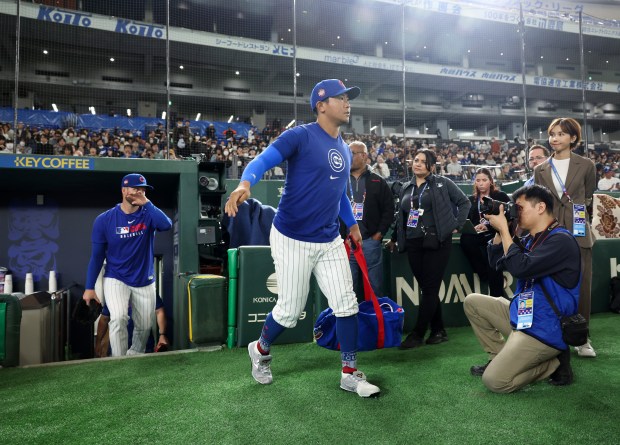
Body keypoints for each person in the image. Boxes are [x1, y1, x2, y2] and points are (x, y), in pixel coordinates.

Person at [225, 79, 380, 397]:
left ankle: (349, 372)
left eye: (349, 98)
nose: (348, 103)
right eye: (341, 98)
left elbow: (339, 196)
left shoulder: (342, 147)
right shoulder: (301, 135)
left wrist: (351, 226)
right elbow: (263, 160)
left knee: (346, 305)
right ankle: (261, 348)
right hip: (291, 237)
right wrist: (245, 184)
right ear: (321, 105)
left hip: (329, 239)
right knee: (289, 311)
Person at [464, 184, 580, 393]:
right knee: (473, 302)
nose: (516, 213)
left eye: (520, 208)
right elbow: (496, 262)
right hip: (524, 318)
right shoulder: (531, 239)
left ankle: (552, 364)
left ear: (541, 207)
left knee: (495, 382)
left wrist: (506, 233)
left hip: (546, 327)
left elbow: (520, 267)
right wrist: (503, 231)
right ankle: (498, 357)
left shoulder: (560, 240)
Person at [386, 149, 471, 348]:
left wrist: (455, 225)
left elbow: (464, 202)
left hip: (438, 241)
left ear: (431, 166)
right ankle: (438, 329)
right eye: (416, 160)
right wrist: (395, 238)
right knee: (428, 289)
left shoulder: (442, 183)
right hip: (414, 242)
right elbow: (402, 216)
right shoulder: (406, 187)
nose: (418, 164)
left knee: (430, 288)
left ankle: (417, 334)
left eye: (423, 162)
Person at [82, 173, 172, 356]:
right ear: (124, 190)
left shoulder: (149, 215)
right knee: (118, 318)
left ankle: (134, 355)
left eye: (143, 189)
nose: (140, 192)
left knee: (145, 326)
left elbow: (167, 225)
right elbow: (97, 256)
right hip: (116, 277)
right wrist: (89, 287)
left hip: (144, 279)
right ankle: (119, 360)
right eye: (136, 189)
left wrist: (147, 203)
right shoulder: (104, 220)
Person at [534, 118, 597, 358]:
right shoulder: (540, 169)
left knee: (583, 286)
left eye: (561, 134)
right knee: (550, 285)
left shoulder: (587, 165)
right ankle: (552, 337)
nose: (555, 138)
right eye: (552, 134)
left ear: (573, 138)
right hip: (550, 234)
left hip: (579, 232)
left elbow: (588, 195)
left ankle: (582, 337)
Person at [346, 141, 394, 299]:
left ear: (364, 156)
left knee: (375, 287)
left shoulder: (378, 181)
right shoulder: (340, 180)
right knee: (348, 288)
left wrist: (378, 235)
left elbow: (388, 210)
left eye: (352, 153)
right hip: (346, 243)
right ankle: (351, 323)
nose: (348, 156)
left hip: (370, 242)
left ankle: (375, 321)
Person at [459, 168, 510, 297]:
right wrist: (476, 227)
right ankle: (484, 275)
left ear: (491, 182)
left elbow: (508, 217)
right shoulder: (471, 200)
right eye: (478, 180)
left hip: (495, 232)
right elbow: (471, 219)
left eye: (484, 180)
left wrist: (488, 226)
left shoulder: (500, 196)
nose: (481, 183)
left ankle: (496, 293)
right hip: (478, 234)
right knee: (465, 239)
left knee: (491, 253)